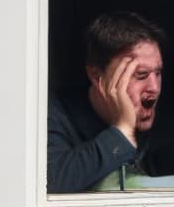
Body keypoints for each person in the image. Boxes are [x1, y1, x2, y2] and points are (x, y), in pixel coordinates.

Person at [47, 11, 165, 193]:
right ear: (97, 76)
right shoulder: (54, 115)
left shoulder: (169, 118)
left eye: (157, 73)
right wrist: (123, 130)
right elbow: (49, 182)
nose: (154, 87)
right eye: (140, 75)